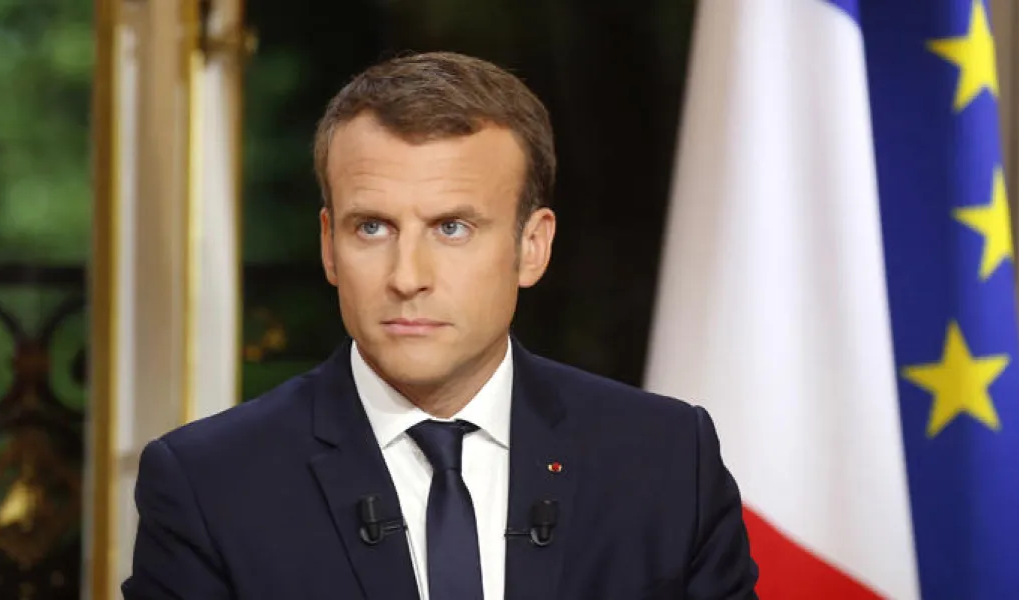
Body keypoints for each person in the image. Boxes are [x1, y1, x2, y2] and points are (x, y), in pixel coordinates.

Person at [121, 51, 758, 600]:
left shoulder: (668, 461)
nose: (408, 275)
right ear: (329, 246)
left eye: (451, 228)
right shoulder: (211, 485)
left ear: (531, 247)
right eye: (372, 227)